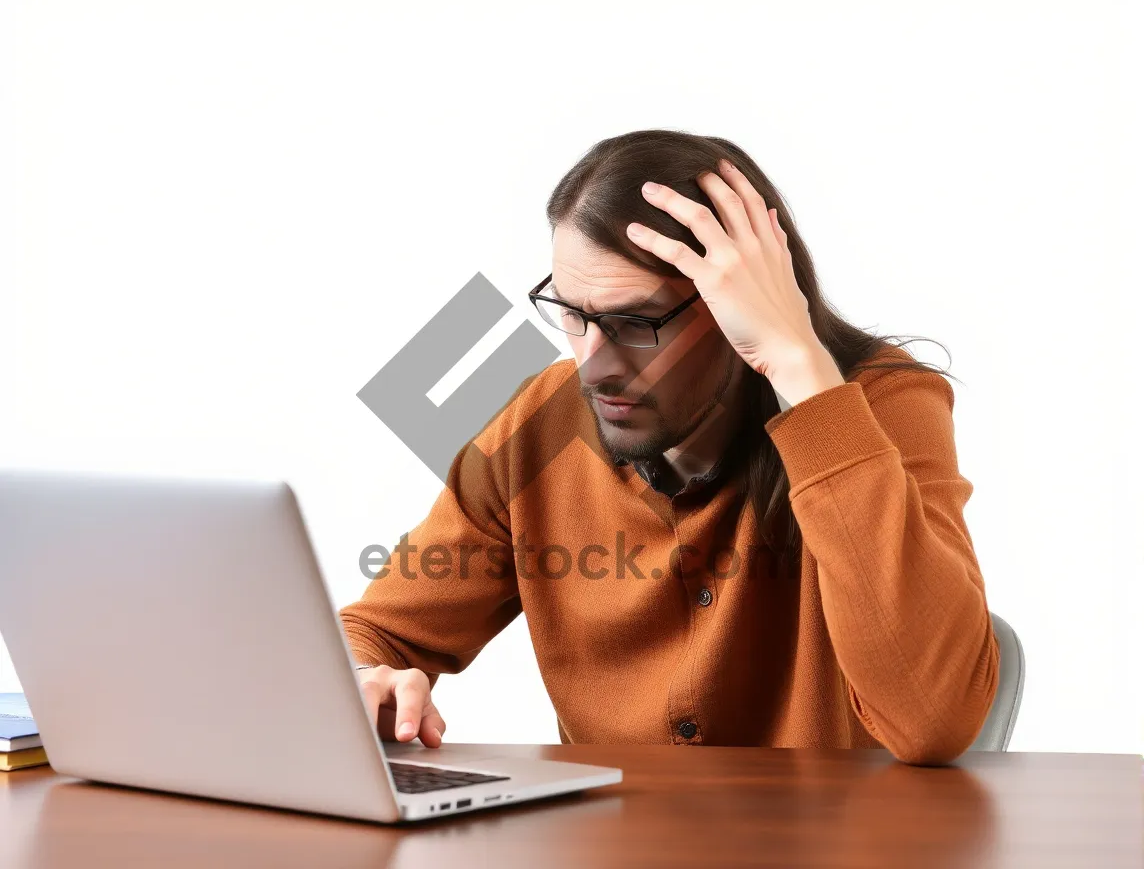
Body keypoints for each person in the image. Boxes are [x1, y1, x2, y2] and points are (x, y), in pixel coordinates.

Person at [339, 129, 998, 766]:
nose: (595, 365)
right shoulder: (540, 425)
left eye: (634, 323)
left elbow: (934, 719)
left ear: (741, 305)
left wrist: (797, 361)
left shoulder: (880, 407)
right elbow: (375, 632)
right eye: (573, 314)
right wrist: (366, 679)